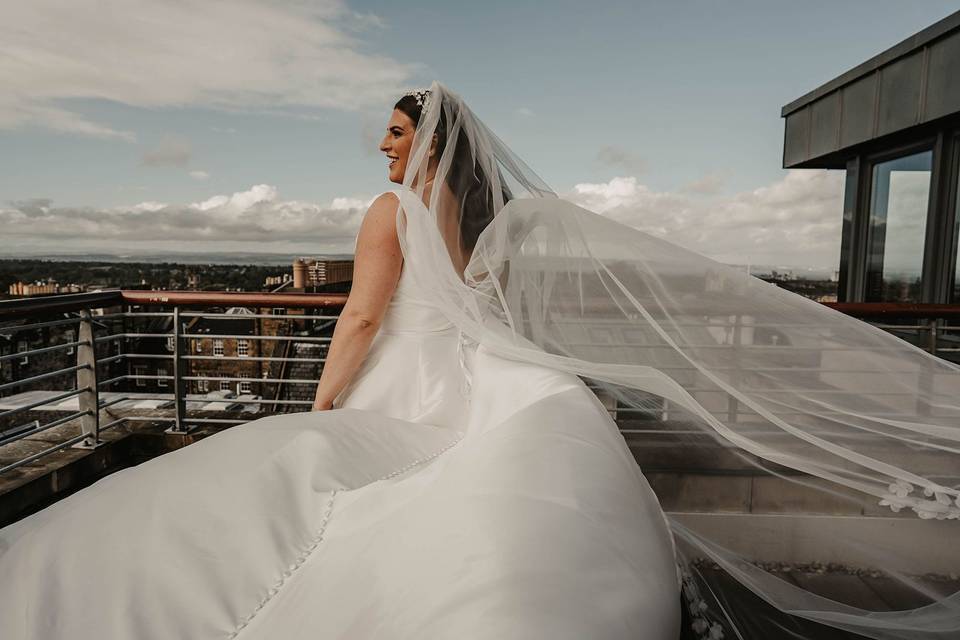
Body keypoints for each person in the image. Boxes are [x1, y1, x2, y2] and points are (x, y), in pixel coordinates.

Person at [0, 81, 957, 640]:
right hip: (470, 367)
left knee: (329, 478)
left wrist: (321, 406)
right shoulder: (488, 217)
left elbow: (365, 320)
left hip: (409, 367)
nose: (380, 144)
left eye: (395, 130)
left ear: (428, 140)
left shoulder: (391, 212)